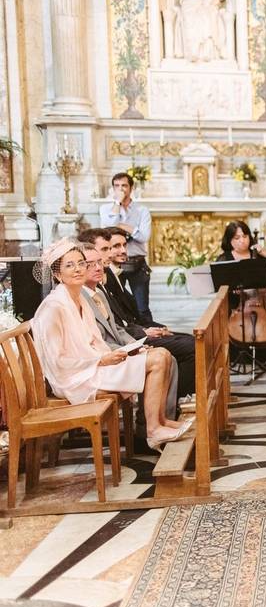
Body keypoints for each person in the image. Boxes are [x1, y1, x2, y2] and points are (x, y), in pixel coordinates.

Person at [30, 238, 190, 451]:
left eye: (81, 263)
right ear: (58, 275)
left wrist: (127, 351)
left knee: (160, 353)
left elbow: (94, 340)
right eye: (70, 265)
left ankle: (159, 421)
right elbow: (57, 361)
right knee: (159, 358)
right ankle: (153, 430)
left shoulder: (77, 298)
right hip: (75, 377)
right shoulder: (53, 307)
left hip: (94, 365)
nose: (78, 269)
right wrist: (102, 360)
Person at [80, 227, 197, 400]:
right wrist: (138, 341)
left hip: (128, 339)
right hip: (108, 354)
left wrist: (140, 339)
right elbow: (103, 334)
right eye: (107, 248)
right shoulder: (87, 290)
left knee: (191, 343)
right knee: (185, 349)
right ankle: (170, 405)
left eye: (121, 246)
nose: (114, 252)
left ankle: (167, 408)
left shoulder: (101, 284)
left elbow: (119, 324)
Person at [79, 243, 182, 438]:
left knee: (169, 358)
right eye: (90, 264)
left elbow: (117, 328)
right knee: (160, 358)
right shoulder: (79, 298)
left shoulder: (98, 293)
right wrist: (125, 351)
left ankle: (161, 419)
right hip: (103, 360)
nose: (99, 268)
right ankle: (149, 429)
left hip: (118, 349)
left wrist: (136, 346)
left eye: (99, 262)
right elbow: (93, 340)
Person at [216, 220, 266, 367]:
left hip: (261, 300)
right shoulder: (224, 259)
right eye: (237, 238)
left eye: (245, 236)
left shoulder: (258, 255)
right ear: (230, 240)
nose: (242, 241)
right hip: (236, 304)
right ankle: (239, 354)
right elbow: (220, 287)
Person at [100, 172, 154, 323]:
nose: (121, 190)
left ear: (131, 188)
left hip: (136, 263)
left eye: (124, 186)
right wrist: (117, 204)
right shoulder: (106, 209)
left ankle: (150, 334)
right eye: (117, 186)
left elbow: (144, 237)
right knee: (118, 304)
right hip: (115, 263)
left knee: (142, 307)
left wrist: (126, 227)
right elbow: (107, 232)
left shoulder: (142, 210)